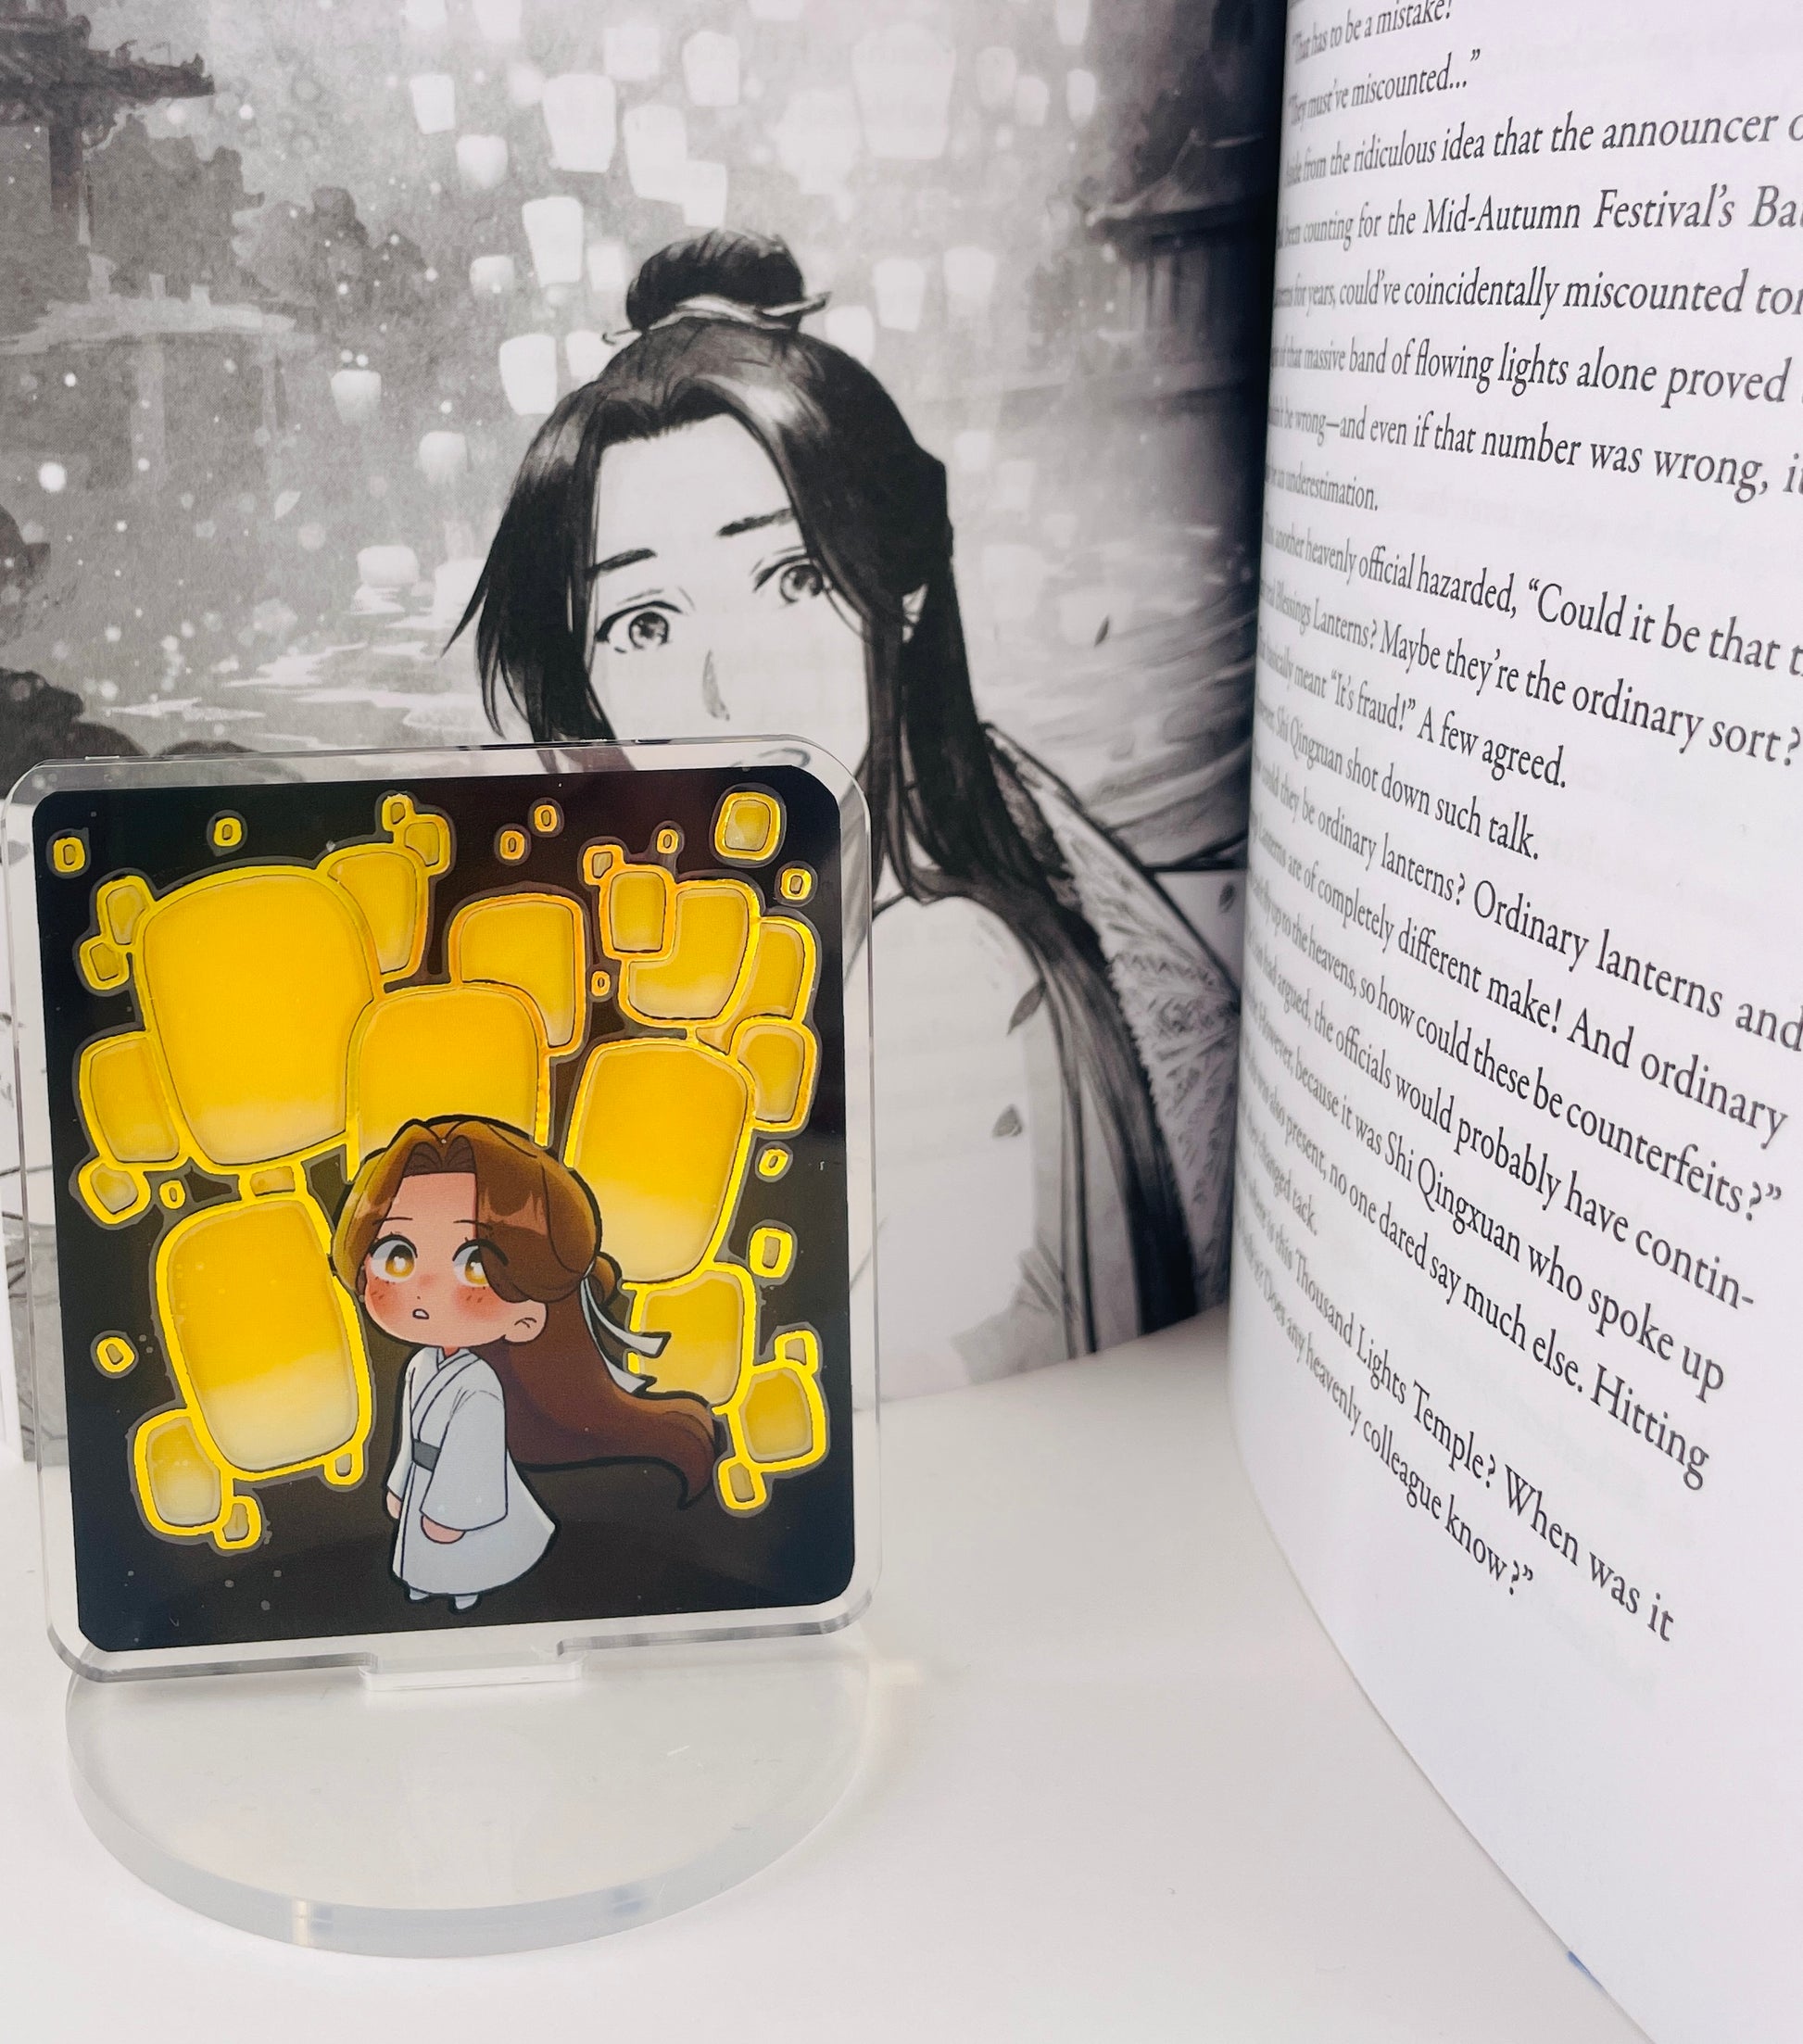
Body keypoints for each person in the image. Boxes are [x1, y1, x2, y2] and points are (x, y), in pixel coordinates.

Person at [458, 231, 1240, 1393]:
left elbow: (883, 1379)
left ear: (900, 593)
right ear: (583, 673)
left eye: (791, 580)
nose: (726, 687)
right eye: (646, 623)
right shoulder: (738, 924)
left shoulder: (939, 968)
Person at [331, 1117, 718, 1609]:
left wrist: (450, 1514)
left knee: (462, 1560)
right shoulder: (420, 1367)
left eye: (474, 1265)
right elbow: (408, 1439)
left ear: (527, 1316)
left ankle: (463, 1592)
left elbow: (474, 1460)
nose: (424, 1287)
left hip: (463, 1504)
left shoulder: (479, 1387)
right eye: (398, 1255)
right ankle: (430, 1585)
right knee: (421, 1562)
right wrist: (401, 1482)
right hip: (427, 1484)